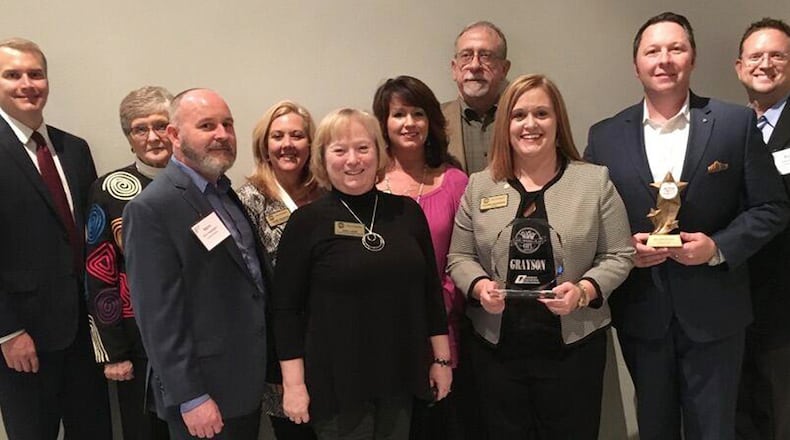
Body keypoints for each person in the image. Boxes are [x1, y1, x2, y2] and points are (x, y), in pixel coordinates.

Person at [584, 12, 790, 440]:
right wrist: (625, 248)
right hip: (643, 310)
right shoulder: (604, 136)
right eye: (652, 51)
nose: (664, 59)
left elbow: (771, 206)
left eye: (676, 48)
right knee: (654, 428)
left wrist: (716, 247)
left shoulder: (735, 124)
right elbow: (593, 219)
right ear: (636, 64)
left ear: (692, 58)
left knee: (715, 430)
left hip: (717, 313)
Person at [447, 73, 634, 439]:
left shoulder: (594, 182)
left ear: (557, 121)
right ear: (506, 125)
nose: (530, 124)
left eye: (541, 114)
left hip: (573, 346)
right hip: (497, 348)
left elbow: (619, 253)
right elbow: (459, 256)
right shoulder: (479, 185)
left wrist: (584, 291)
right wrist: (480, 286)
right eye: (519, 115)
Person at [272, 108, 452, 439]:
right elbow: (285, 311)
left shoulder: (407, 213)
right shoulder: (306, 222)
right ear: (323, 158)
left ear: (378, 152)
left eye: (363, 148)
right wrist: (293, 384)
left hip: (400, 375)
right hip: (337, 384)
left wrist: (441, 360)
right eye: (339, 150)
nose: (352, 160)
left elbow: (429, 291)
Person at [123, 88, 271, 439]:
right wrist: (190, 396)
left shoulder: (225, 193)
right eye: (207, 125)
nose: (221, 134)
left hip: (243, 383)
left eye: (227, 124)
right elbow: (158, 316)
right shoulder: (151, 209)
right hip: (204, 394)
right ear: (174, 135)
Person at [0, 37, 112, 439]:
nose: (27, 83)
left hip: (85, 332)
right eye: (12, 75)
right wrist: (7, 332)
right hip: (24, 339)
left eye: (36, 74)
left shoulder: (74, 149)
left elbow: (94, 237)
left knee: (95, 430)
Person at [372, 75, 468, 439]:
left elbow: (467, 255)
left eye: (418, 113)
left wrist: (435, 307)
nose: (409, 123)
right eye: (398, 114)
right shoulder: (370, 182)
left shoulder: (457, 182)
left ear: (431, 121)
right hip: (386, 330)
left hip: (447, 326)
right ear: (383, 123)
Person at [86, 85, 173, 440]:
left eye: (161, 125)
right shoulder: (108, 189)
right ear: (129, 137)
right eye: (140, 128)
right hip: (136, 343)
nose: (153, 137)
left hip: (198, 339)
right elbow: (97, 270)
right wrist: (113, 352)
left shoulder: (202, 184)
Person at [237, 100, 322, 440]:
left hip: (330, 336)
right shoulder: (248, 199)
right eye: (278, 136)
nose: (288, 144)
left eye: (297, 135)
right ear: (264, 145)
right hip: (279, 341)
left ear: (311, 143)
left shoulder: (327, 193)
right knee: (294, 429)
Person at [734, 17, 790, 440]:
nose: (765, 64)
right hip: (735, 295)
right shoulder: (729, 129)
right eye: (756, 56)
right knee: (743, 406)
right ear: (739, 67)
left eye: (777, 55)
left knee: (779, 409)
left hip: (785, 297)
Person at [442, 21, 511, 173]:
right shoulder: (433, 120)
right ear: (454, 68)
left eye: (485, 56)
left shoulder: (523, 119)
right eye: (466, 56)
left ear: (504, 69)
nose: (474, 66)